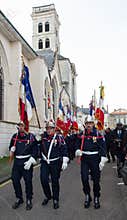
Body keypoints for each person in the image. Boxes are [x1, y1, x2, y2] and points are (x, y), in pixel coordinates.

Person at [75, 115, 107, 209]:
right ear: (85, 125)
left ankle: (96, 196)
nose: (89, 125)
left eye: (90, 123)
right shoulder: (81, 134)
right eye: (87, 123)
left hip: (95, 158)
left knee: (96, 180)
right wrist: (77, 150)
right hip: (84, 158)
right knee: (84, 178)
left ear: (93, 124)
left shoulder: (98, 134)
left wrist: (102, 160)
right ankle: (87, 195)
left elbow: (103, 147)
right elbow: (76, 144)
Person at [38, 120, 69, 209]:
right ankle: (48, 196)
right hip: (45, 162)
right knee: (43, 179)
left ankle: (56, 199)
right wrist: (37, 137)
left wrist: (64, 160)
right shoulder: (43, 137)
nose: (49, 130)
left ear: (54, 129)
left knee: (55, 181)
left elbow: (64, 149)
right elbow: (35, 145)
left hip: (55, 163)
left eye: (50, 128)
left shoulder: (59, 137)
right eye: (47, 129)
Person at [9, 121, 38, 210]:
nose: (20, 127)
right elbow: (10, 147)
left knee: (28, 181)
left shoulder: (31, 136)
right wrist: (11, 149)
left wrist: (31, 160)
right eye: (19, 126)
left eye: (22, 125)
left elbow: (35, 149)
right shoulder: (15, 136)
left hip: (27, 162)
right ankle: (19, 198)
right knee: (15, 179)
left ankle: (29, 199)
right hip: (17, 162)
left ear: (25, 126)